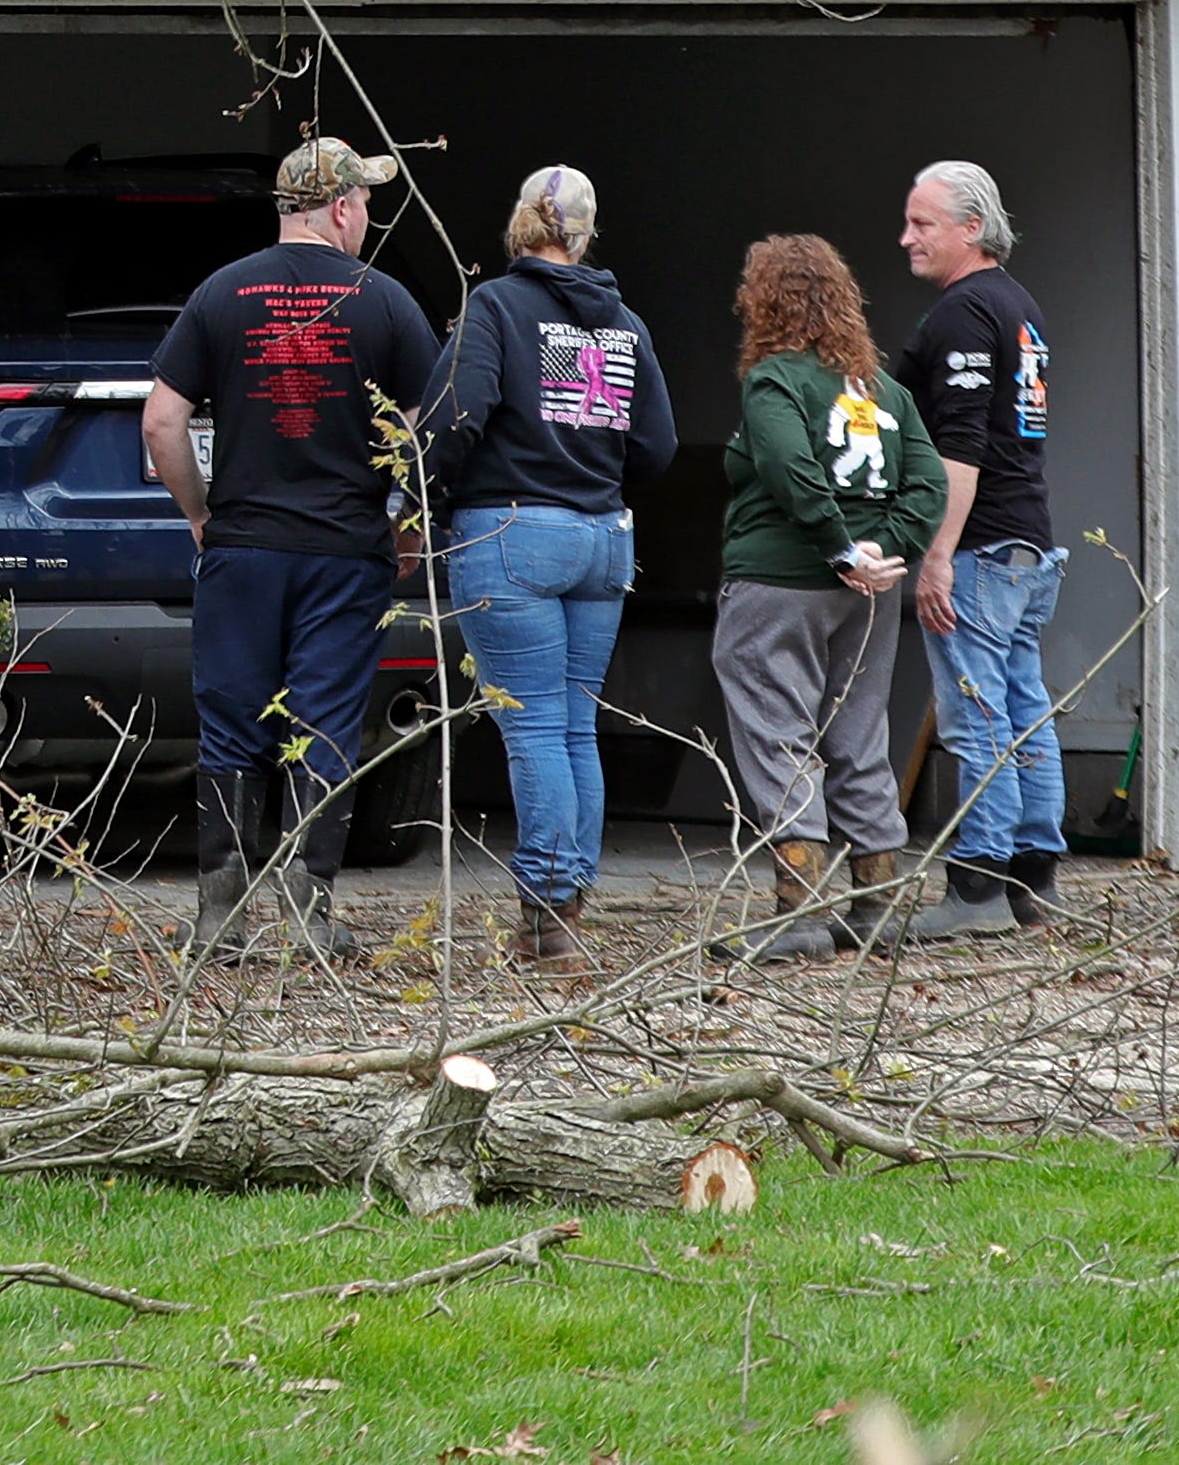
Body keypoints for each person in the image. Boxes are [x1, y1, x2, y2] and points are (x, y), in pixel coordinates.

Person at [145, 136, 447, 963]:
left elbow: (160, 421)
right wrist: (407, 528)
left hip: (243, 551)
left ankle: (219, 922)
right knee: (323, 726)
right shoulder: (384, 301)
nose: (367, 219)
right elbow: (428, 434)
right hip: (345, 554)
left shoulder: (220, 292)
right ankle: (310, 925)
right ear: (342, 208)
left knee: (232, 727)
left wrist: (200, 515)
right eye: (366, 205)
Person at [420, 167, 676, 966]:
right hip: (603, 538)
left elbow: (454, 414)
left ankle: (544, 915)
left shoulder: (495, 306)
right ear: (585, 232)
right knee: (572, 728)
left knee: (529, 728)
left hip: (513, 533)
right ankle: (565, 906)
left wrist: (421, 490)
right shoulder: (625, 323)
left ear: (518, 227)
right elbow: (658, 447)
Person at [712, 233, 948, 962]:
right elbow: (928, 482)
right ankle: (875, 904)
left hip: (778, 584)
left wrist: (838, 544)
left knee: (776, 730)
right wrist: (885, 548)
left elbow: (787, 465)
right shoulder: (883, 389)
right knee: (857, 734)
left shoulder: (774, 381)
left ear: (762, 302)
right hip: (868, 595)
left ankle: (798, 911)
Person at [891, 160, 1067, 939]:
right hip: (1030, 544)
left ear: (971, 227)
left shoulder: (964, 313)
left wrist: (935, 555)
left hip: (982, 547)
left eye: (921, 223)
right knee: (1025, 707)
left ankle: (978, 881)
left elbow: (959, 448)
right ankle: (1033, 876)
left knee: (976, 715)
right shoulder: (1019, 305)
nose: (905, 237)